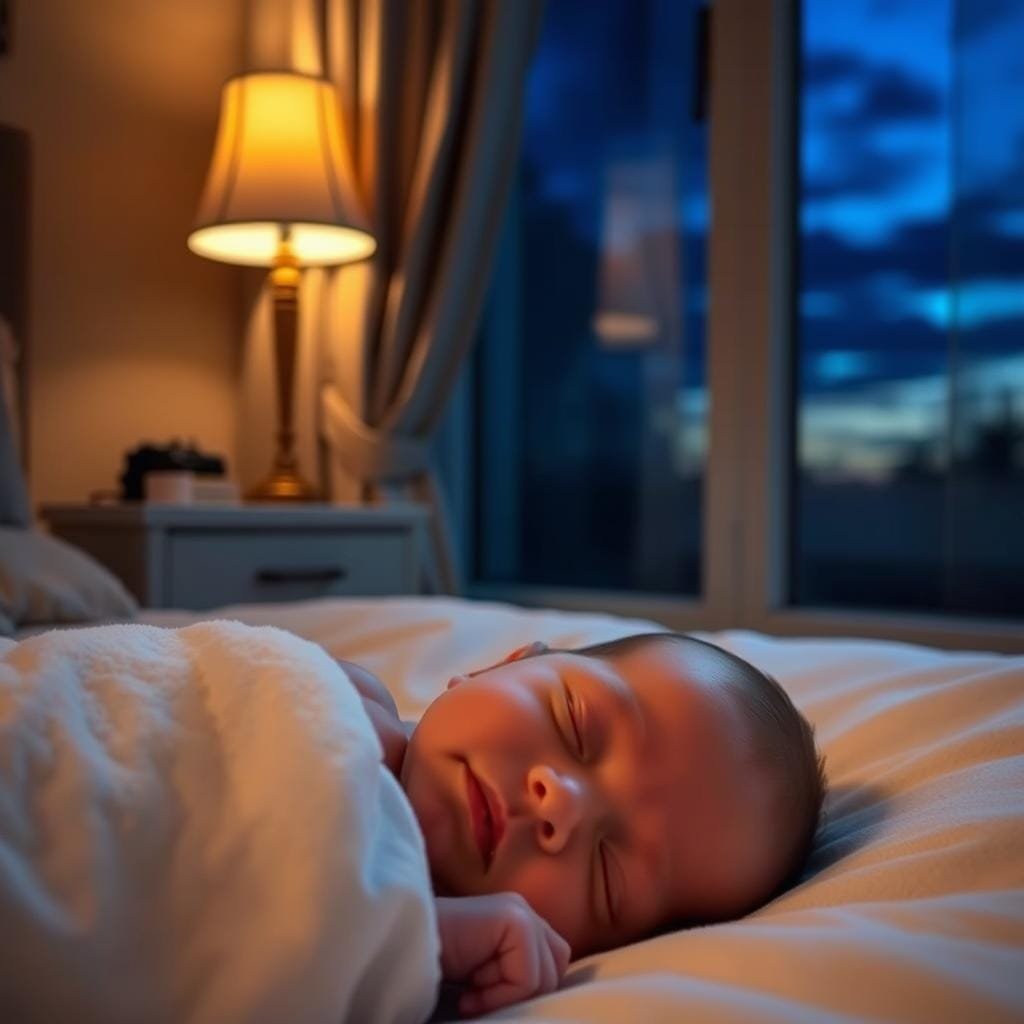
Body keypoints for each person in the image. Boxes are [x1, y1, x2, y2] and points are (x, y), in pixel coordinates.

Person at [345, 631, 827, 1018]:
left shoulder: (435, 976)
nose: (560, 805)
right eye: (575, 727)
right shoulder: (346, 704)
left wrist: (420, 940)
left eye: (607, 873)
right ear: (500, 666)